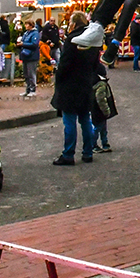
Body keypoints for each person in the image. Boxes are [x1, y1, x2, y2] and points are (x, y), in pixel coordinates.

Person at [51, 12, 100, 165]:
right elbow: (95, 63)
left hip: (70, 85)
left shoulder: (72, 40)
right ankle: (87, 152)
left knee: (70, 121)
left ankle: (68, 154)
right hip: (85, 82)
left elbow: (65, 63)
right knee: (85, 119)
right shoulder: (93, 39)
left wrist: (58, 78)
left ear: (73, 23)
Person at [90, 61, 117, 152]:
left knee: (101, 127)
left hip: (95, 109)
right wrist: (107, 111)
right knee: (99, 128)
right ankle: (96, 144)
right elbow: (101, 99)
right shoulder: (101, 84)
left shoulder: (93, 82)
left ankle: (103, 143)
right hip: (100, 110)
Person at [19, 20, 41, 97]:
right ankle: (27, 89)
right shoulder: (26, 33)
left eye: (27, 24)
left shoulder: (35, 33)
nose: (26, 26)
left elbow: (34, 44)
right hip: (25, 56)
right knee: (26, 73)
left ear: (31, 25)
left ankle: (32, 89)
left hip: (32, 56)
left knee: (31, 73)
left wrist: (23, 44)